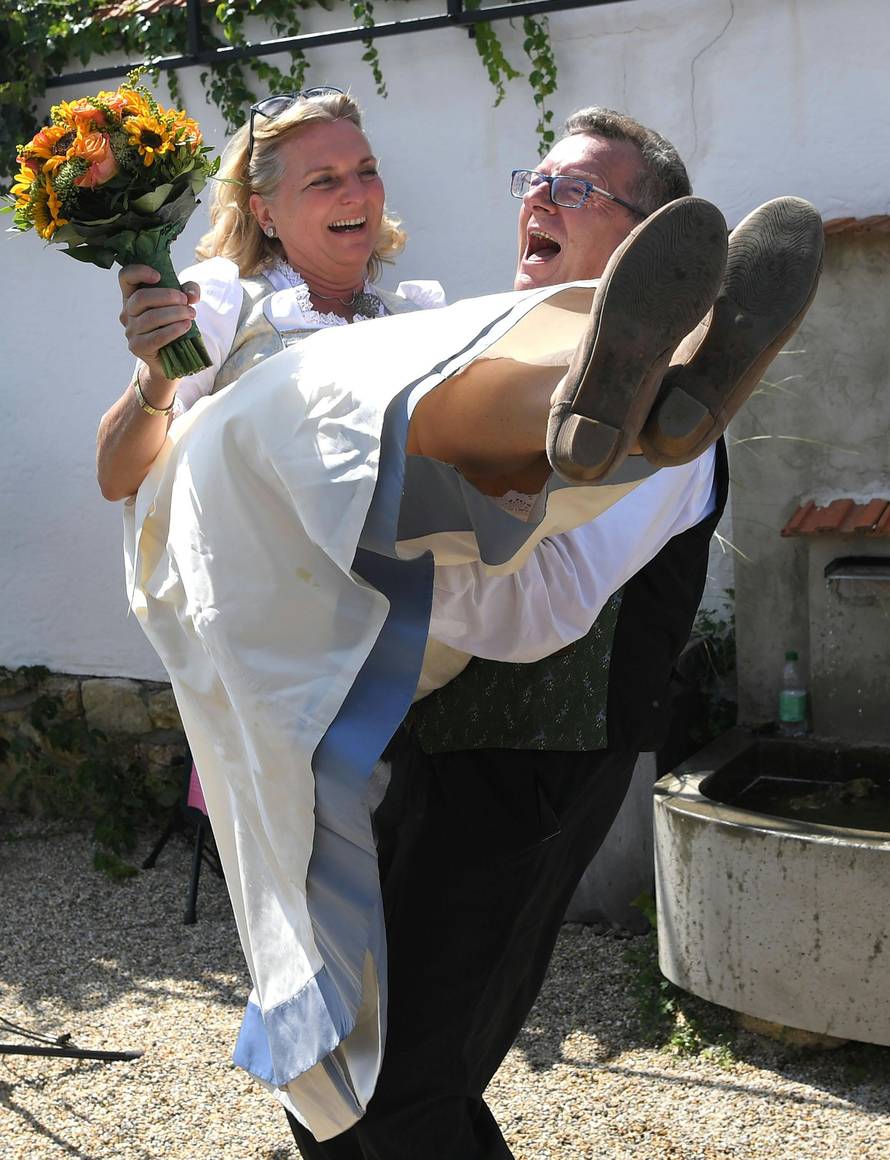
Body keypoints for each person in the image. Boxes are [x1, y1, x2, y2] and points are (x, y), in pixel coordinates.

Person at [103, 91, 821, 1154]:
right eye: (536, 177)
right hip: (400, 703)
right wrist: (162, 376)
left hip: (529, 760)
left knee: (395, 1084)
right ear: (262, 209)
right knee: (354, 1061)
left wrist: (383, 556)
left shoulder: (434, 324)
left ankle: (638, 384)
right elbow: (126, 465)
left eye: (576, 188)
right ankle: (575, 407)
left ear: (644, 239)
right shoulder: (232, 297)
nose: (539, 194)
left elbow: (543, 605)